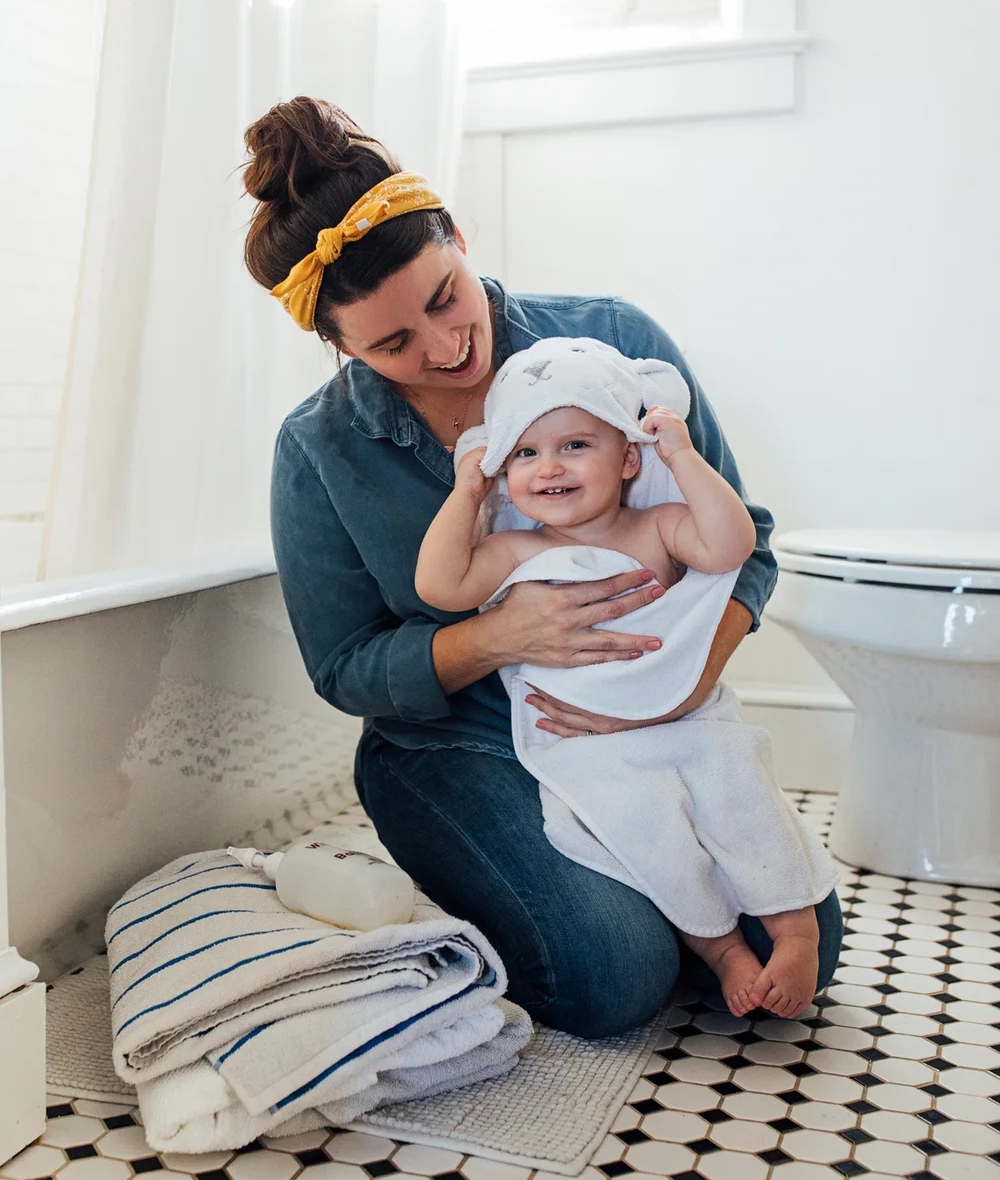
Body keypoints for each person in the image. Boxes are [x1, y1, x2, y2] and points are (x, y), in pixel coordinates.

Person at [243, 96, 843, 1037]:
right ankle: (495, 899)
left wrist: (678, 691)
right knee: (616, 974)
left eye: (446, 295)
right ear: (341, 347)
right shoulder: (320, 451)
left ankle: (622, 899)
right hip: (457, 743)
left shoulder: (614, 340)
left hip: (653, 717)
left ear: (461, 239)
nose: (446, 348)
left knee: (798, 941)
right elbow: (345, 667)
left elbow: (746, 544)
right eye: (394, 344)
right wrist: (499, 636)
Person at [414, 340, 826, 1018]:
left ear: (629, 457)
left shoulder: (659, 528)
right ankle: (722, 950)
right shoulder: (516, 549)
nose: (548, 467)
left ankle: (795, 930)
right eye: (524, 453)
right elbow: (441, 584)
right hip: (589, 743)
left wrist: (684, 459)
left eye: (575, 444)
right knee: (642, 829)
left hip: (687, 719)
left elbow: (731, 545)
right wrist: (467, 493)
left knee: (741, 795)